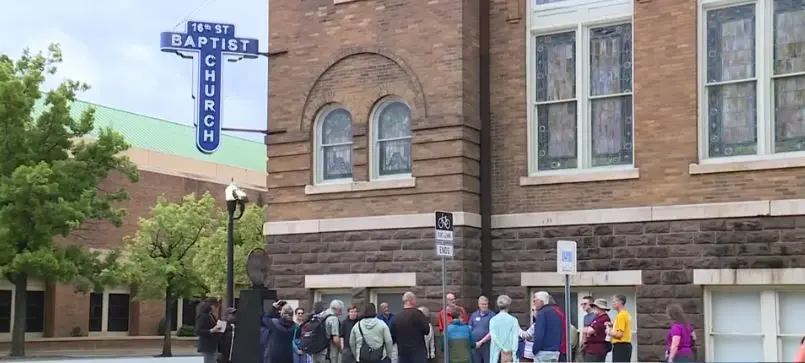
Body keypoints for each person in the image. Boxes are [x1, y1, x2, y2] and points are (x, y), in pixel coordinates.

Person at [390, 292, 431, 363]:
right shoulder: (419, 315)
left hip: (403, 353)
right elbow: (427, 331)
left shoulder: (396, 318)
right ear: (411, 300)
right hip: (418, 353)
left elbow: (392, 336)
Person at [531, 292, 562, 363]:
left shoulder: (542, 313)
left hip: (543, 352)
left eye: (535, 301)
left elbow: (539, 334)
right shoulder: (556, 312)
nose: (534, 304)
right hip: (555, 352)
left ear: (541, 301)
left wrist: (534, 350)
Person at [488, 295, 519, 363]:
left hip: (496, 355)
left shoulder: (493, 320)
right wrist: (514, 355)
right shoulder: (513, 320)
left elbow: (494, 337)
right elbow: (515, 339)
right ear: (509, 305)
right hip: (509, 354)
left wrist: (502, 348)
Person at [196, 297, 223, 363]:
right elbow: (198, 331)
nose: (216, 308)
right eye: (215, 306)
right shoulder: (203, 316)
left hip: (212, 345)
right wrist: (211, 330)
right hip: (207, 345)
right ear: (210, 306)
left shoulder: (210, 315)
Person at [470, 296, 495, 363]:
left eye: (486, 304)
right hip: (475, 345)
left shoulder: (492, 315)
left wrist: (481, 342)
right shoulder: (474, 315)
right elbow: (470, 328)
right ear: (479, 305)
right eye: (482, 304)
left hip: (487, 345)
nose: (484, 306)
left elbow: (492, 332)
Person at [609, 295, 632, 362]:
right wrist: (613, 325)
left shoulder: (621, 315)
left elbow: (619, 335)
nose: (612, 303)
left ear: (620, 302)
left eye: (614, 301)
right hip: (626, 346)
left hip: (620, 346)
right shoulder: (626, 314)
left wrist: (609, 332)